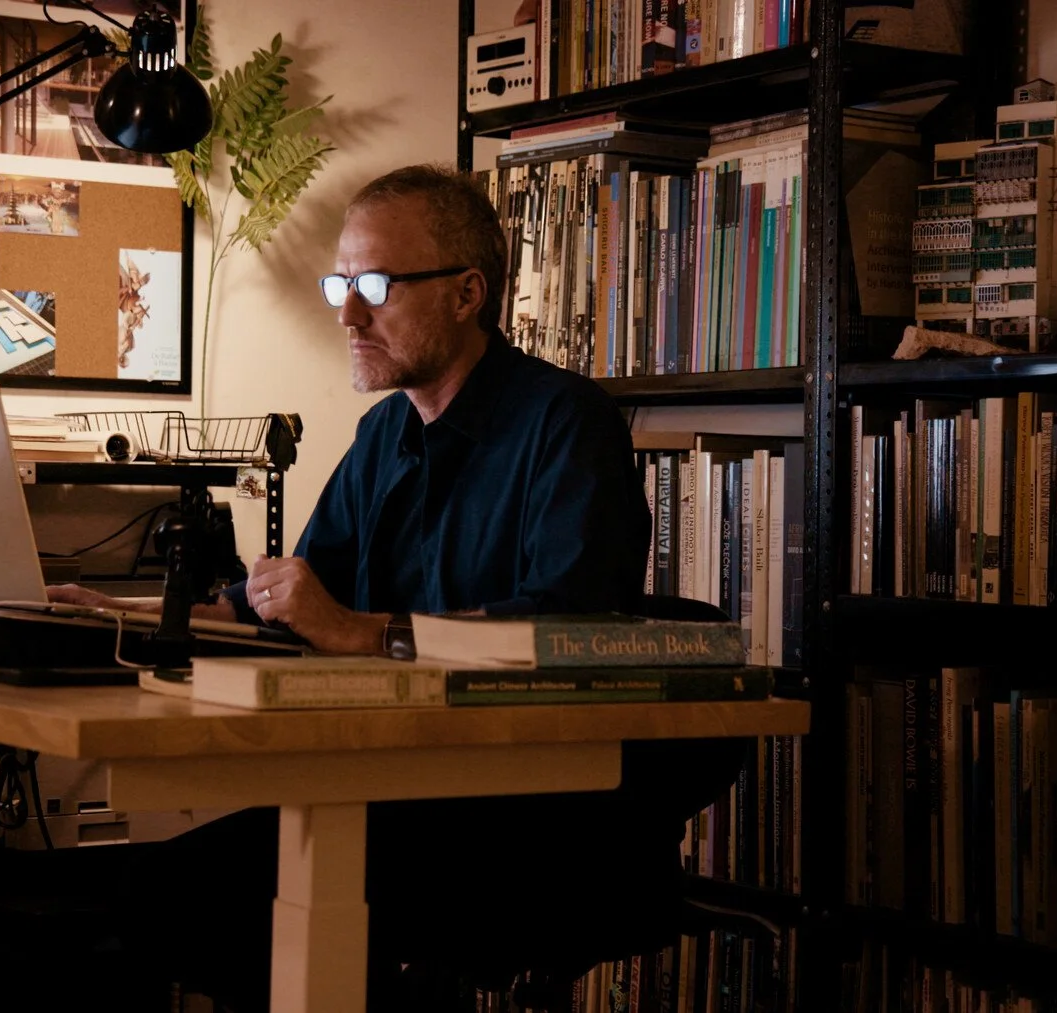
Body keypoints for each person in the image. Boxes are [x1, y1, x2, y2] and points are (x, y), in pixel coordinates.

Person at [52, 164, 742, 1011]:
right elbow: (288, 602)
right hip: (390, 782)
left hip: (516, 811)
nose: (346, 312)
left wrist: (365, 633)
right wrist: (121, 620)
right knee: (141, 889)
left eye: (375, 284)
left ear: (466, 293)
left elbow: (567, 630)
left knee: (184, 898)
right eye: (341, 282)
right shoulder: (383, 433)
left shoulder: (567, 424)